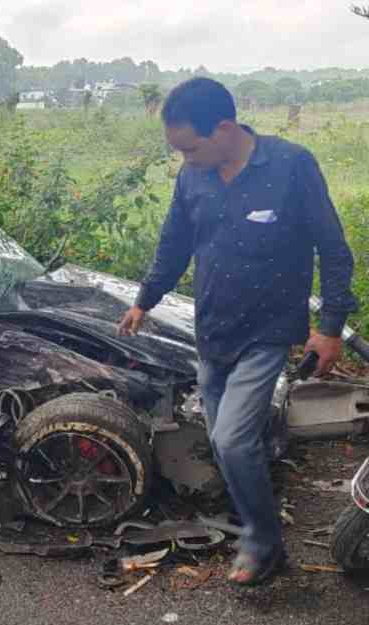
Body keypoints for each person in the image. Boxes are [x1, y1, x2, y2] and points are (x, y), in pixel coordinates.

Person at [118, 78, 358, 586]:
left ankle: (263, 543)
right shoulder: (193, 180)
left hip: (267, 331)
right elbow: (174, 244)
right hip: (213, 330)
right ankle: (259, 519)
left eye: (190, 147)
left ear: (224, 129)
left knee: (229, 438)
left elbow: (333, 250)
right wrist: (145, 300)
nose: (184, 159)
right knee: (229, 437)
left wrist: (329, 327)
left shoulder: (291, 166)